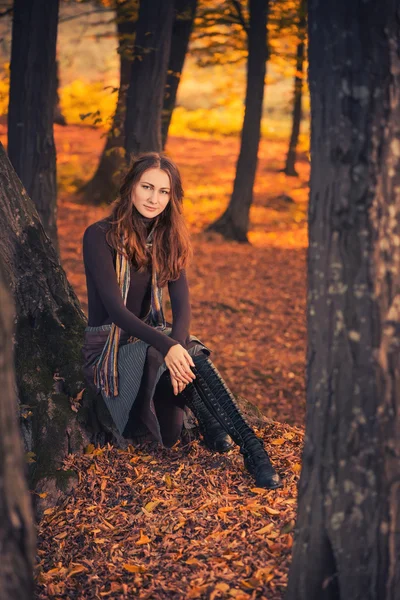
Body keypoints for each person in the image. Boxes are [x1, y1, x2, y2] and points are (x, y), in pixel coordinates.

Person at [81, 152, 282, 490]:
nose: (154, 198)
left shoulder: (166, 237)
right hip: (110, 352)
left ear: (172, 197)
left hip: (151, 349)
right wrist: (170, 347)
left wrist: (176, 351)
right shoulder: (99, 236)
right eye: (147, 187)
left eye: (163, 191)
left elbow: (182, 306)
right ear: (130, 186)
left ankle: (245, 444)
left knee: (188, 359)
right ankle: (234, 439)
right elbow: (116, 312)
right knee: (175, 352)